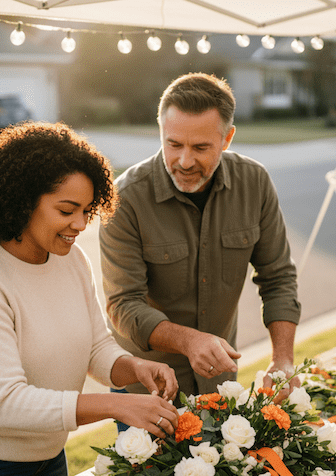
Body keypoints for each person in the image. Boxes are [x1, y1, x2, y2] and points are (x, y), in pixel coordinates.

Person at [0, 122, 180, 476]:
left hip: (47, 453)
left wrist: (134, 368)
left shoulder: (71, 259)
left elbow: (97, 346)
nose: (80, 225)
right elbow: (7, 402)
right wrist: (117, 404)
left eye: (86, 210)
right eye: (66, 211)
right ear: (22, 200)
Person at [99, 72, 301, 407]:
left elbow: (278, 278)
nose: (185, 161)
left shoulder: (255, 182)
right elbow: (123, 304)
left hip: (220, 385)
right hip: (145, 389)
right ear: (161, 132)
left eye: (201, 147)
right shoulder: (126, 198)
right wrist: (188, 341)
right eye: (173, 144)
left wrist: (283, 360)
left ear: (227, 138)